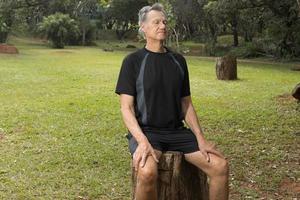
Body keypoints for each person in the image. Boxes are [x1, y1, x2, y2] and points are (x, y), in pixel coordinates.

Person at [115, 3, 229, 200]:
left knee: (220, 167)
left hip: (177, 133)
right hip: (147, 133)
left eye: (165, 22)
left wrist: (200, 137)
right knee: (147, 172)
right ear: (143, 27)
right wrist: (141, 141)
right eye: (156, 22)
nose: (162, 26)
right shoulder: (132, 61)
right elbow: (126, 107)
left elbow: (186, 104)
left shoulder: (178, 61)